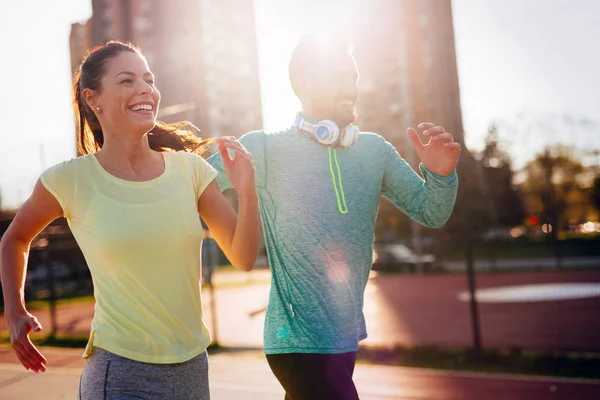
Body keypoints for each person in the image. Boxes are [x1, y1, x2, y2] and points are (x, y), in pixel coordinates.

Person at [0, 41, 259, 400]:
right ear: (94, 99)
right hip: (120, 372)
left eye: (148, 79)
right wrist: (15, 312)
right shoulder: (71, 180)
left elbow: (243, 258)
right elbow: (15, 238)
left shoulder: (191, 171)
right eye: (127, 80)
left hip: (193, 370)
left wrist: (248, 193)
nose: (145, 89)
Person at [207, 35, 461, 399]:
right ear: (304, 84)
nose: (351, 88)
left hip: (346, 337)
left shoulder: (376, 151)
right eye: (339, 76)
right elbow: (196, 183)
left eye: (354, 77)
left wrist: (441, 175)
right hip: (295, 340)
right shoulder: (263, 147)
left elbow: (431, 213)